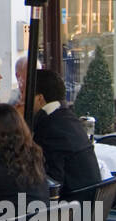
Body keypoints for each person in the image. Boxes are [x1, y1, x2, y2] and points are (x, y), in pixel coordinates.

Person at [31, 69, 100, 197]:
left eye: (25, 93)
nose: (22, 99)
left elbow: (53, 180)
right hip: (92, 202)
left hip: (74, 208)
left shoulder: (49, 125)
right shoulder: (67, 117)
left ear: (39, 98)